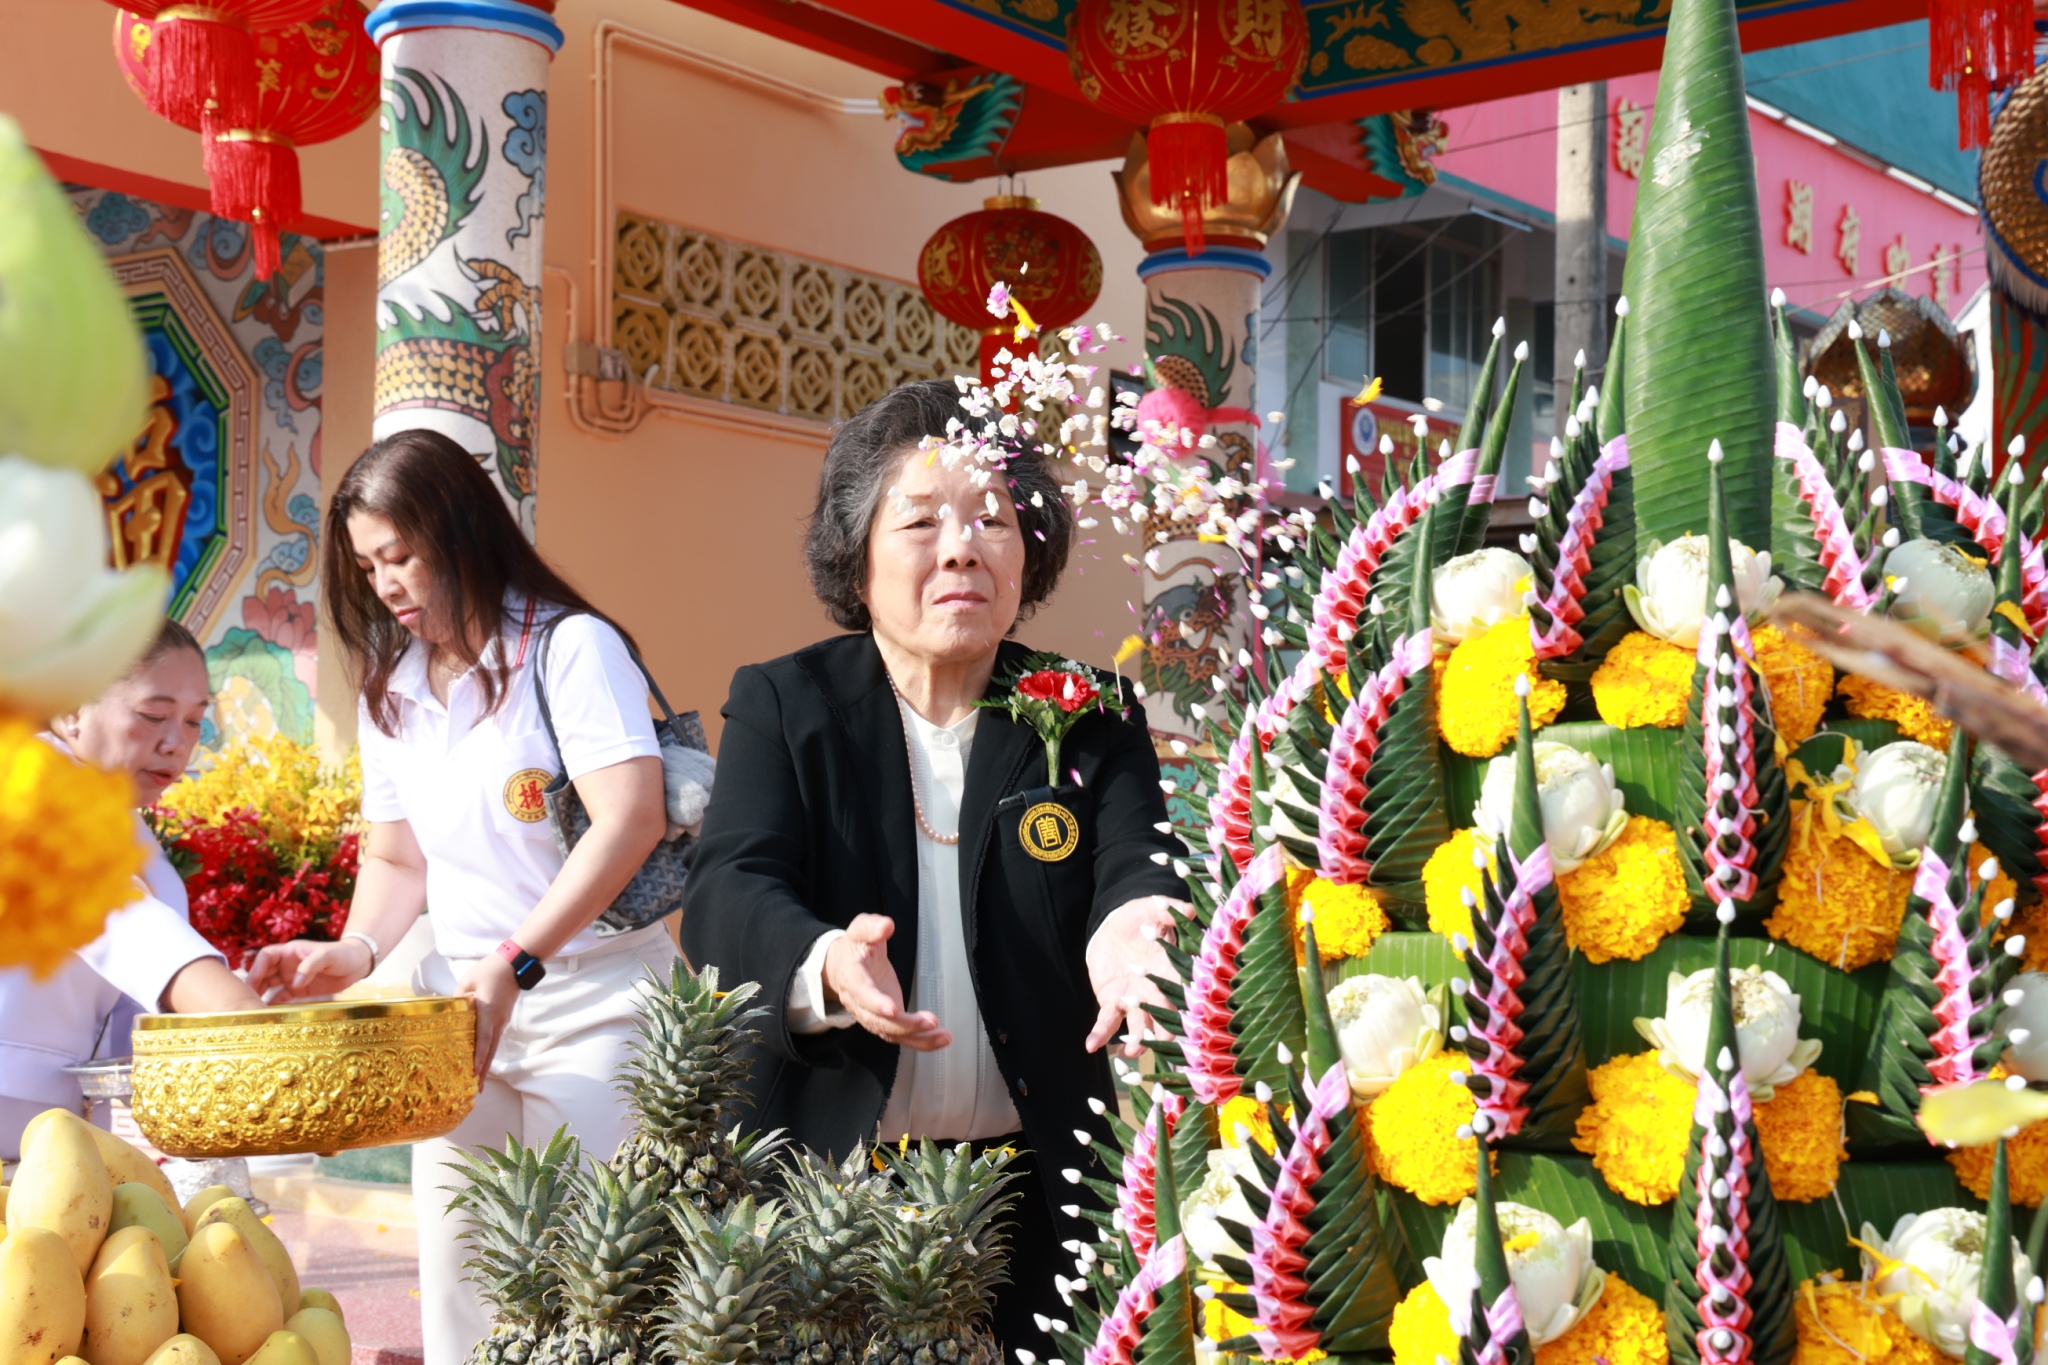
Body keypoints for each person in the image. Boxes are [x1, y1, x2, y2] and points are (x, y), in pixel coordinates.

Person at [681, 379, 1189, 1356]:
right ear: (857, 555)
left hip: (1036, 1188)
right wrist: (825, 961)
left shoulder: (1088, 712)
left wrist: (1135, 925)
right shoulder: (788, 704)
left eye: (992, 518)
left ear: (1028, 549)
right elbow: (728, 889)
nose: (962, 546)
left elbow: (1137, 859)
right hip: (830, 1186)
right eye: (921, 521)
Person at [247, 429, 673, 1362]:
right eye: (369, 566)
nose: (386, 584)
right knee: (461, 1289)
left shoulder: (570, 647)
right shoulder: (391, 688)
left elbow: (630, 816)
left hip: (598, 1007)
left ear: (461, 529)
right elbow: (399, 861)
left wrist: (516, 961)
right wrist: (354, 951)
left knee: (598, 1294)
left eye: (400, 555)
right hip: (459, 1020)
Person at [0, 621, 262, 1162]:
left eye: (194, 721)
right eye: (153, 716)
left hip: (52, 1141)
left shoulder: (116, 814)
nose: (176, 743)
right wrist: (243, 1017)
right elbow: (118, 916)